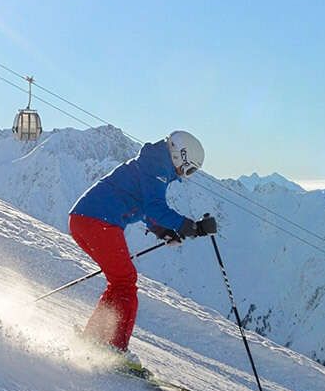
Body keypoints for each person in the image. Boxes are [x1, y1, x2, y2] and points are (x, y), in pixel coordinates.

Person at [67, 129, 218, 376]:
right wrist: (191, 227)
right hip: (97, 221)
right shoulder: (157, 165)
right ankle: (114, 349)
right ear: (180, 156)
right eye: (188, 169)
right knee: (125, 283)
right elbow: (155, 206)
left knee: (119, 282)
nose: (184, 176)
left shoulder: (153, 163)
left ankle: (96, 338)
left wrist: (162, 231)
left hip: (85, 219)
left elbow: (144, 206)